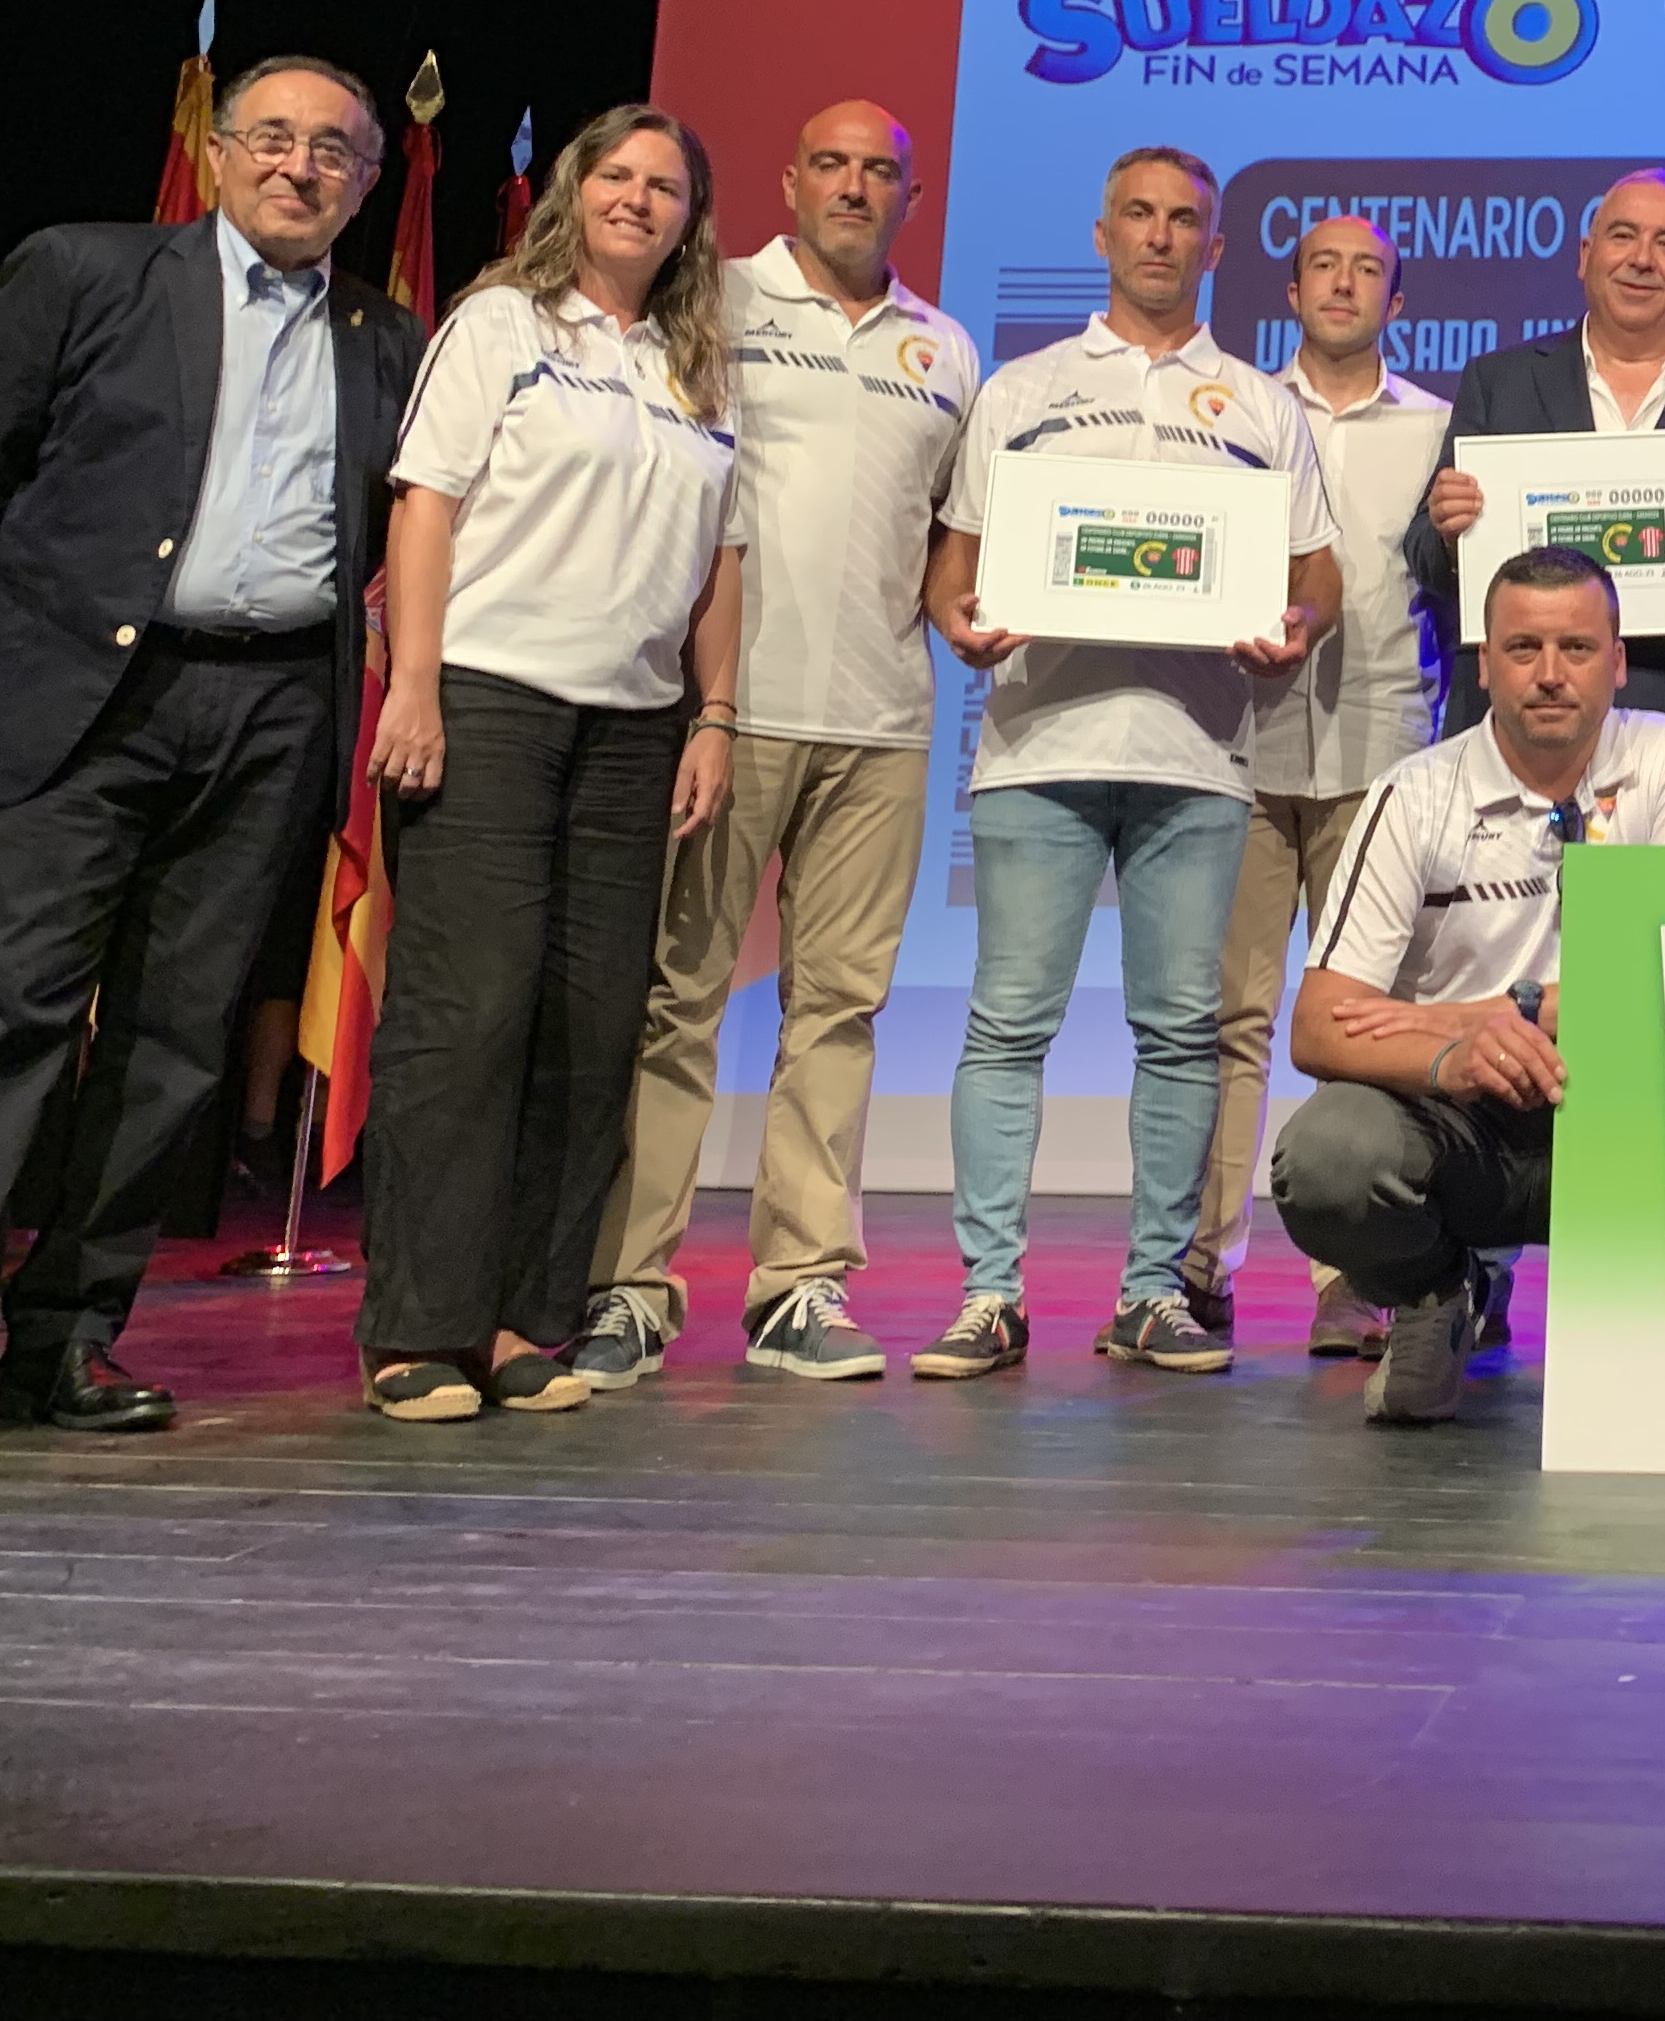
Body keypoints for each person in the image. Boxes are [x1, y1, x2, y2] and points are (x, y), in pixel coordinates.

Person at [0, 59, 420, 1468]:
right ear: (215, 156)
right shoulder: (86, 274)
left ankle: (67, 1342)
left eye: (333, 150)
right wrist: (70, 626)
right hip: (82, 698)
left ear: (367, 181)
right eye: (271, 139)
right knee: (4, 1013)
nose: (299, 167)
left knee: (171, 1045)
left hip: (271, 712)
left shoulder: (388, 340)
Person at [913, 145, 1338, 1384]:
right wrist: (960, 619)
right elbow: (959, 560)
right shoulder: (1025, 388)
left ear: (1217, 247)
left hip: (1199, 755)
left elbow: (1312, 570)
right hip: (1038, 744)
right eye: (1140, 216)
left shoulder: (1262, 404)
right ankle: (989, 1293)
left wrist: (1295, 627)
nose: (1161, 237)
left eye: (1187, 221)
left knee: (1179, 1033)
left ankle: (1155, 1289)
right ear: (1101, 234)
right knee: (1007, 1027)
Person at [569, 102, 974, 1392]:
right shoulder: (714, 305)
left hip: (885, 724)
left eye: (881, 171)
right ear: (791, 180)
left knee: (838, 1013)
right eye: (833, 165)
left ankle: (801, 1285)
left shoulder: (944, 348)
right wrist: (707, 702)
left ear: (910, 193)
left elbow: (949, 546)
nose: (855, 187)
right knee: (675, 1002)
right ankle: (630, 1284)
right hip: (722, 714)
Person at [357, 105, 746, 1423]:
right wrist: (414, 684)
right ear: (575, 192)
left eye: (667, 187)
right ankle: (419, 1329)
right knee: (467, 1022)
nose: (639, 200)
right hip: (489, 701)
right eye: (617, 177)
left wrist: (715, 715)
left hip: (634, 732)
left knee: (587, 1036)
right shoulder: (499, 326)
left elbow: (720, 562)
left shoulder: (700, 362)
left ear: (695, 218)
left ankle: (532, 1318)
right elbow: (427, 506)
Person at [1271, 547, 1665, 1425]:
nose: (1550, 675)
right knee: (1327, 1158)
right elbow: (1319, 1026)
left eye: (1577, 649)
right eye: (1523, 649)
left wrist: (1503, 1012)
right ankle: (1439, 1292)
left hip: (1617, 1105)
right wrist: (1453, 1055)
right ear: (1486, 665)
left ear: (1619, 661)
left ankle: (1662, 1337)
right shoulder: (1414, 793)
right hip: (1457, 1118)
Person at [1197, 212, 1450, 1362]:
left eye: (1370, 272)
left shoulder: (1445, 429)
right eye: (1324, 268)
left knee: (1360, 1031)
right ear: (1290, 293)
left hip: (1383, 759)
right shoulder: (1234, 411)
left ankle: (1355, 1278)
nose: (1345, 285)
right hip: (1234, 745)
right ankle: (1194, 1266)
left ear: (1398, 305)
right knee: (1227, 1021)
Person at [1411, 170, 1665, 827]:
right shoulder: (1501, 381)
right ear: (1584, 255)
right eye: (1622, 235)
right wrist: (1447, 528)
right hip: (1517, 729)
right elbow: (1428, 558)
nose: (1640, 259)